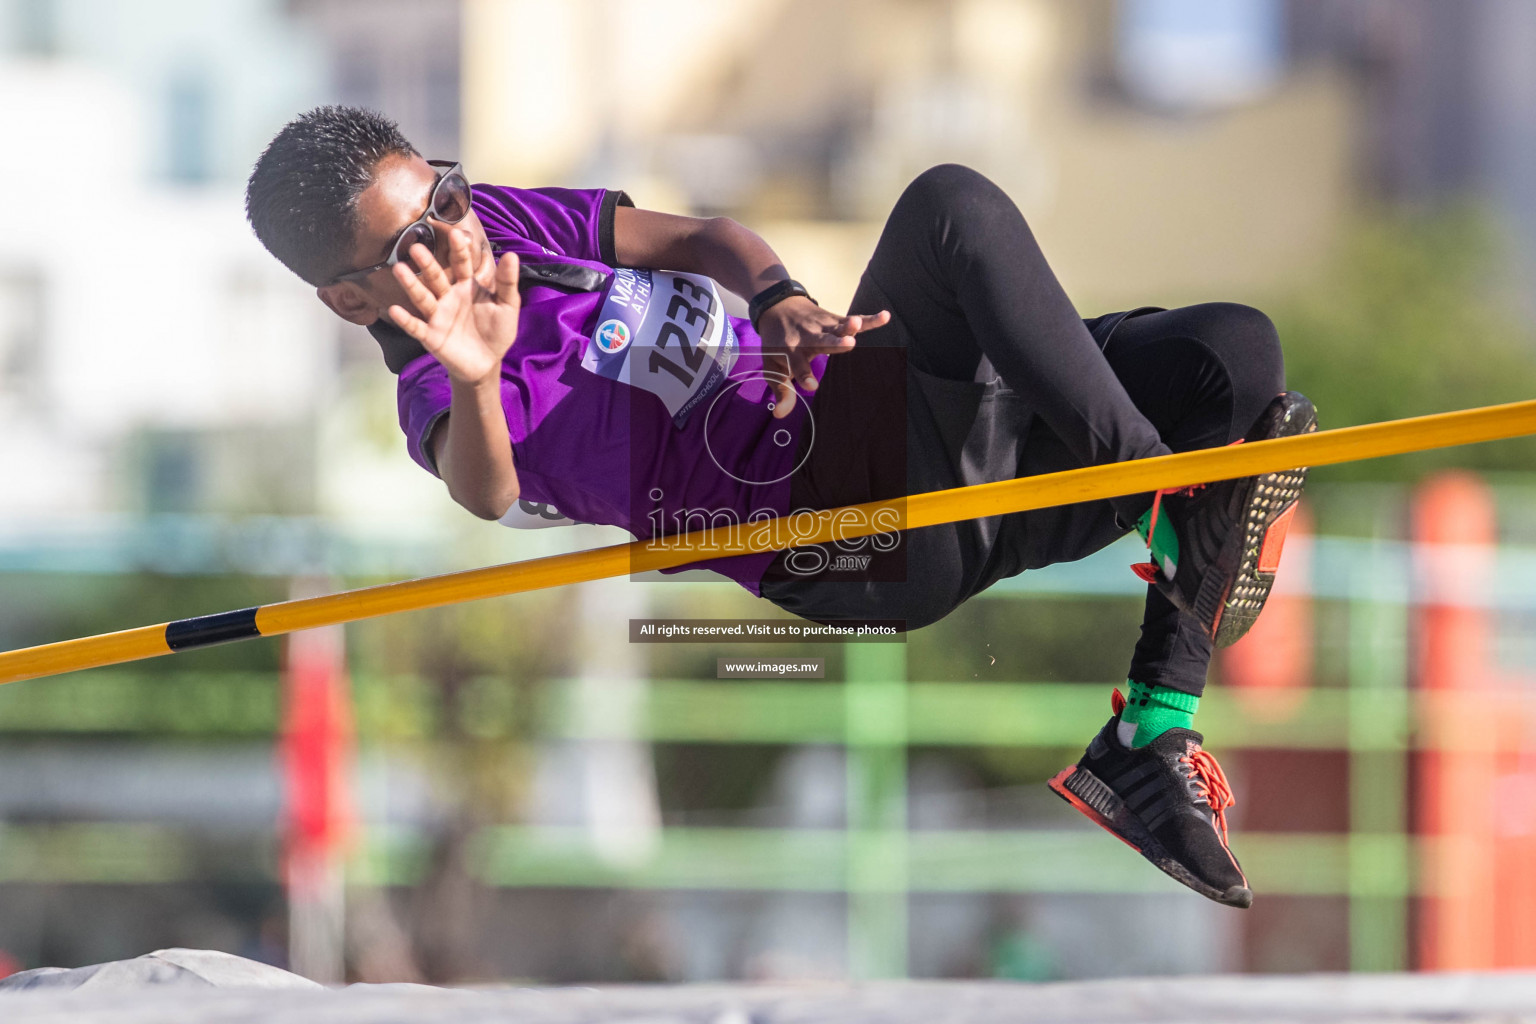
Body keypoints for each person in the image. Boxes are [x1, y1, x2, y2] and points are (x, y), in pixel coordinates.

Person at [245, 106, 1316, 909]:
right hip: (849, 535)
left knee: (1232, 363)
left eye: (444, 196)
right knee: (950, 209)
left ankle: (1151, 727)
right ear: (350, 298)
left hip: (900, 440)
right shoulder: (440, 394)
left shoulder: (508, 224)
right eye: (414, 245)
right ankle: (1179, 514)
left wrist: (779, 299)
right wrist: (478, 371)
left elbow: (705, 238)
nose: (456, 238)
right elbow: (489, 493)